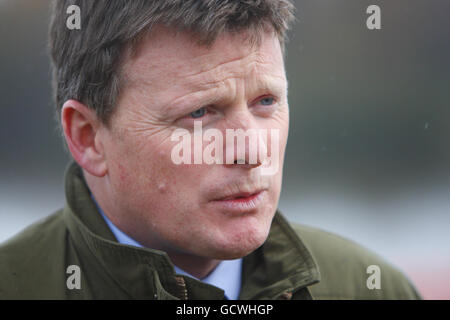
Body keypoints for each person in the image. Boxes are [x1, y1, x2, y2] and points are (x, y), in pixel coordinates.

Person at [0, 0, 420, 300]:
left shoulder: (373, 289)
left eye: (266, 102)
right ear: (89, 138)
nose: (252, 151)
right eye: (200, 113)